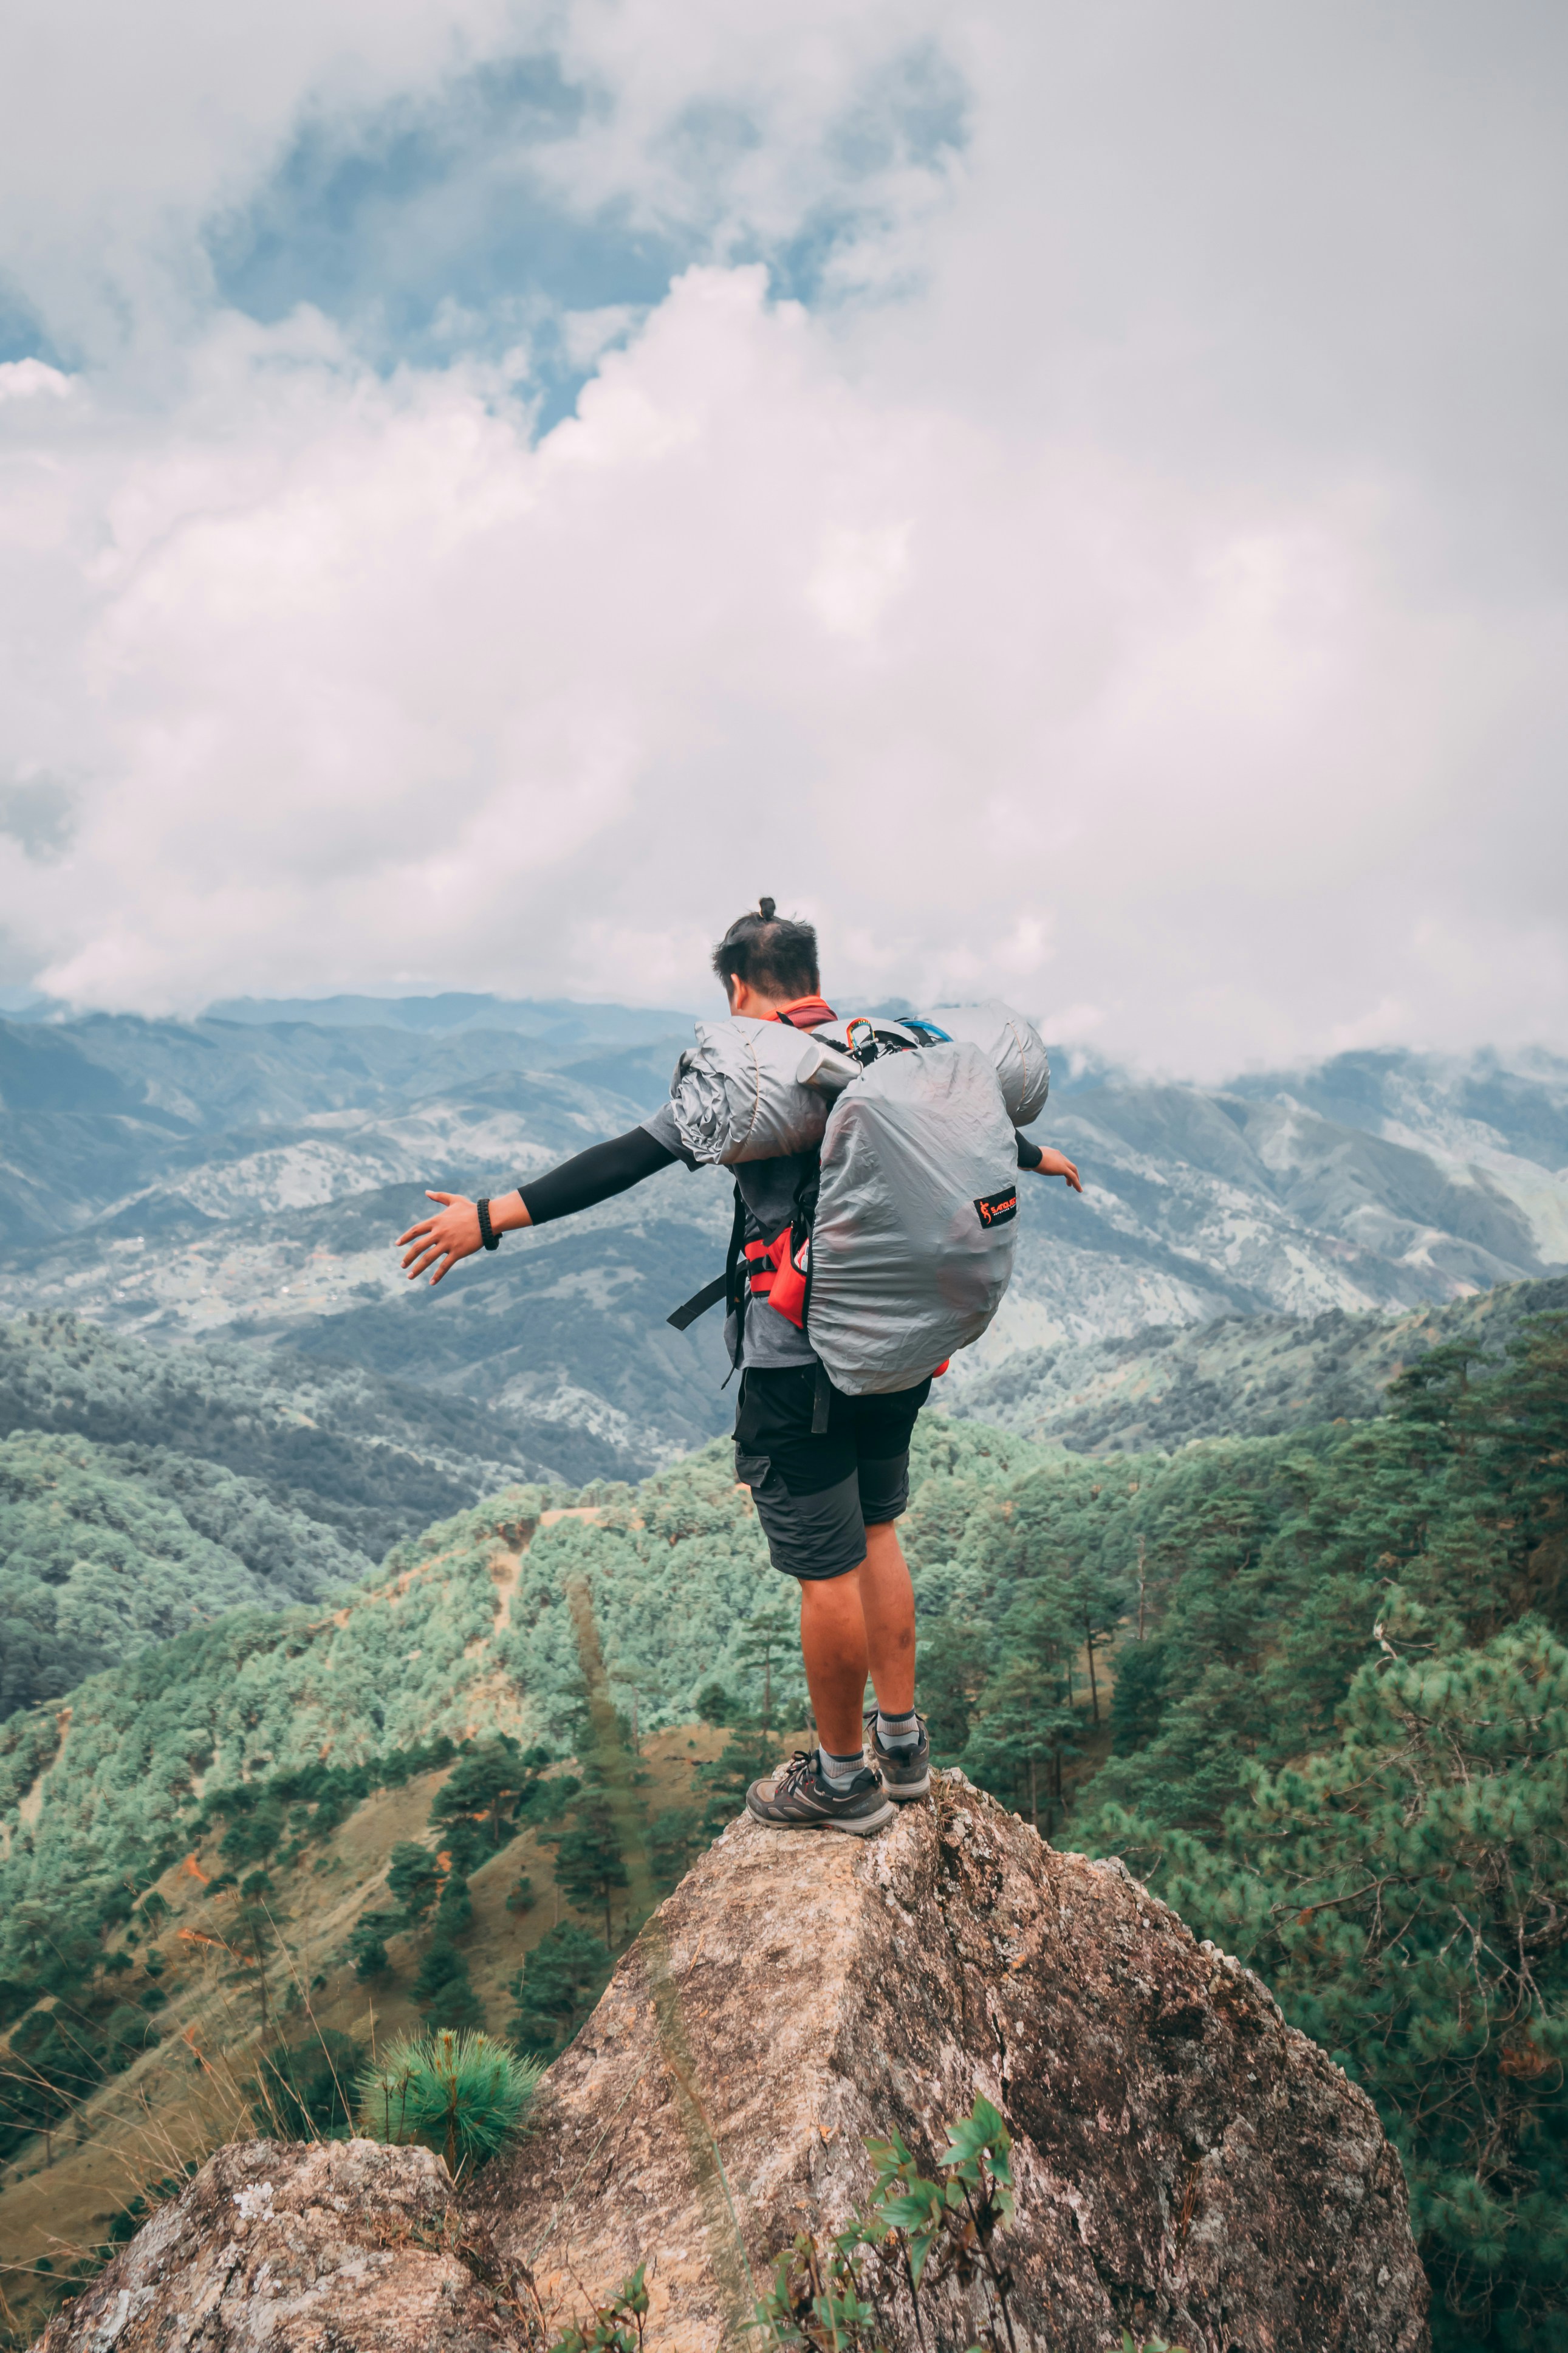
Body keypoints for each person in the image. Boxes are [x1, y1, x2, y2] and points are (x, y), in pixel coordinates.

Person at [398, 901, 1083, 1836]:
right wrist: (1038, 1157)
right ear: (811, 973)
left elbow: (625, 1161)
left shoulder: (753, 1075)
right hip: (898, 1349)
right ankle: (903, 1746)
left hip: (797, 1364)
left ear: (733, 986)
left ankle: (843, 1784)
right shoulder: (885, 1048)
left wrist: (487, 1219)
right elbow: (956, 1141)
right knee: (879, 1532)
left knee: (826, 1569)